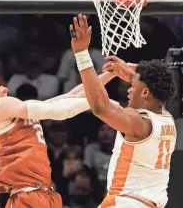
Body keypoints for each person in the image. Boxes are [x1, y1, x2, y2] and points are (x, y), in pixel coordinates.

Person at [0, 56, 120, 207]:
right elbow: (56, 111)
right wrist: (101, 103)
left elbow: (71, 96)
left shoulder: (16, 112)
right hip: (28, 196)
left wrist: (112, 73)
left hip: (44, 192)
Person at [70, 14, 177, 208]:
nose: (128, 88)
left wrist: (81, 55)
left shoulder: (139, 122)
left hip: (127, 202)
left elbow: (100, 107)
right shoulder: (166, 118)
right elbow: (156, 82)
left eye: (132, 85)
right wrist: (134, 75)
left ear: (145, 92)